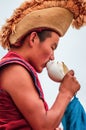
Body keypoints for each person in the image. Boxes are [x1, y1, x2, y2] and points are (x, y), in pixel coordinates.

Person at [0, 0, 85, 130]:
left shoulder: (19, 68)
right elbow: (44, 126)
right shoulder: (15, 70)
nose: (52, 56)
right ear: (33, 38)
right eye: (52, 47)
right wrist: (66, 92)